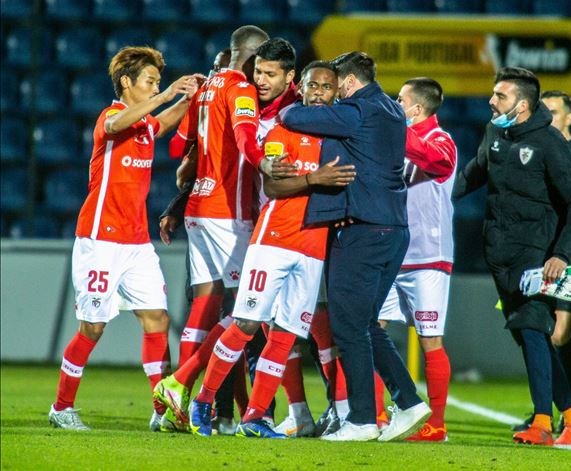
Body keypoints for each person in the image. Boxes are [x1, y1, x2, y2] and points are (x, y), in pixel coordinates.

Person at [186, 60, 356, 438]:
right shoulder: (284, 130)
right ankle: (204, 400)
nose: (317, 93)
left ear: (336, 93)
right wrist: (316, 179)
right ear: (302, 88)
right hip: (274, 241)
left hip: (313, 248)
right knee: (246, 323)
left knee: (286, 335)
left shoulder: (340, 141)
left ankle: (255, 418)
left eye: (326, 87)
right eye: (312, 86)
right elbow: (275, 187)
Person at [279, 51, 431, 442]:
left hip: (364, 230)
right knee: (364, 323)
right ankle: (410, 402)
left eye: (335, 86)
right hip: (392, 229)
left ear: (347, 83)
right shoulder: (393, 109)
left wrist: (296, 101)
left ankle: (362, 419)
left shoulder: (358, 110)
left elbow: (294, 117)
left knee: (348, 325)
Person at [48, 46, 199, 431]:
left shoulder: (144, 126)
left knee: (156, 319)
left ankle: (161, 410)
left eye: (158, 83)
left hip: (136, 242)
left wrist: (192, 97)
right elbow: (119, 125)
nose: (155, 87)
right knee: (93, 327)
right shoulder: (111, 117)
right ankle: (61, 407)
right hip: (100, 240)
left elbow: (160, 123)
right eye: (150, 82)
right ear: (127, 83)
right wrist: (167, 96)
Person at [154, 34, 299, 427]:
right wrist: (262, 163)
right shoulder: (241, 89)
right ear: (252, 56)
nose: (263, 74)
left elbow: (177, 148)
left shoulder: (206, 87)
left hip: (198, 205)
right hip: (228, 211)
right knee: (248, 311)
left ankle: (176, 412)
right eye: (262, 63)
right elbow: (245, 137)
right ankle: (180, 382)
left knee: (204, 305)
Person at [453, 67, 571, 446]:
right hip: (500, 253)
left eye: (500, 95)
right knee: (530, 336)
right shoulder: (495, 132)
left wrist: (562, 254)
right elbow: (474, 173)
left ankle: (543, 423)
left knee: (533, 327)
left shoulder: (549, 143)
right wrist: (436, 199)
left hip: (540, 254)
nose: (491, 100)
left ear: (523, 105)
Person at [511, 90, 571, 434]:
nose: (547, 116)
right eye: (542, 111)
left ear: (569, 117)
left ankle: (566, 409)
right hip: (534, 254)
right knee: (535, 331)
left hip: (569, 255)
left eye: (553, 111)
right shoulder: (530, 150)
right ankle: (546, 410)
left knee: (559, 335)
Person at [375, 77, 457, 442]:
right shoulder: (396, 141)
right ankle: (375, 414)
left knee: (430, 340)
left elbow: (434, 161)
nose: (395, 103)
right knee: (371, 331)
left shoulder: (442, 142)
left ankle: (435, 424)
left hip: (428, 257)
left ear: (417, 108)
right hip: (390, 253)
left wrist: (392, 130)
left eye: (400, 100)